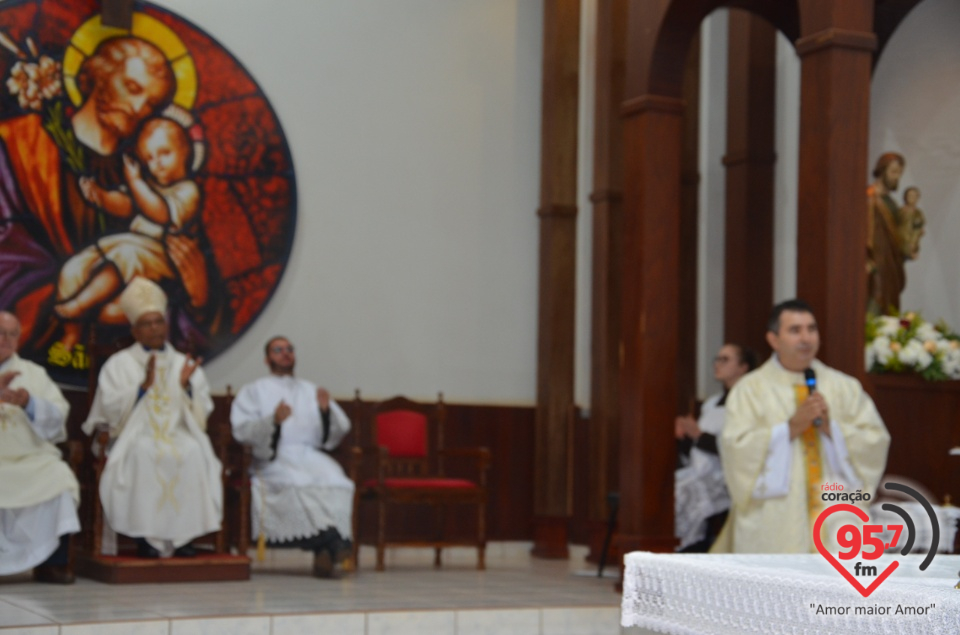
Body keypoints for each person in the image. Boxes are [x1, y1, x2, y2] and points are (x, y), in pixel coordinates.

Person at [714, 299, 890, 553]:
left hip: (836, 517)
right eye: (795, 330)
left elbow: (876, 439)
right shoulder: (750, 390)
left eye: (812, 329)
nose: (806, 338)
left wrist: (833, 429)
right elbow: (735, 447)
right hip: (775, 522)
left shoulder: (843, 387)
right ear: (774, 339)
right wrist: (790, 428)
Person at [82, 277, 222, 558]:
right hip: (134, 435)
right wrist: (141, 388)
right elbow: (108, 408)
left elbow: (202, 411)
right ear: (135, 330)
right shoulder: (119, 365)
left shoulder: (183, 363)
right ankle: (147, 539)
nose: (155, 328)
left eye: (159, 322)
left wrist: (186, 388)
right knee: (144, 454)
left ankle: (182, 539)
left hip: (177, 432)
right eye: (147, 323)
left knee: (193, 451)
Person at [55, 117, 201, 325]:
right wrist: (101, 196)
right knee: (77, 265)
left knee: (125, 255)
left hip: (162, 257)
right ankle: (71, 331)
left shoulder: (187, 190)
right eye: (149, 158)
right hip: (133, 248)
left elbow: (159, 212)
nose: (156, 163)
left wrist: (135, 181)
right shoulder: (146, 187)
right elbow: (126, 206)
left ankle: (81, 304)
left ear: (185, 153)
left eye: (165, 153)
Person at [230, 336, 354, 578]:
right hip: (273, 457)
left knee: (338, 481)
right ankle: (331, 543)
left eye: (289, 349)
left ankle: (327, 547)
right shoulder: (254, 390)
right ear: (267, 359)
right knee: (296, 481)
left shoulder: (311, 389)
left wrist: (325, 412)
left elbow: (339, 428)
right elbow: (242, 429)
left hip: (308, 454)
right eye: (278, 350)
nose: (285, 354)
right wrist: (272, 421)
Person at [0, 311, 79, 583]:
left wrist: (29, 403)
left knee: (58, 475)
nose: (6, 339)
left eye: (12, 334)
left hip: (29, 459)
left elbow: (59, 415)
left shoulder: (34, 374)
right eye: (1, 332)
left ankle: (52, 563)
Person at [674, 343, 756, 552]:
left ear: (743, 367)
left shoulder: (750, 402)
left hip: (726, 475)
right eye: (717, 359)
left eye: (725, 359)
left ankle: (692, 547)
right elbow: (695, 449)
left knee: (685, 490)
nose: (717, 364)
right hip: (700, 470)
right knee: (670, 485)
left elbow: (740, 447)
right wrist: (684, 436)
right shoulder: (711, 403)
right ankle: (674, 546)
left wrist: (699, 435)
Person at [866, 152, 907, 316]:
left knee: (890, 305)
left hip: (891, 265)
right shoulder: (869, 199)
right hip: (875, 265)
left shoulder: (891, 203)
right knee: (874, 303)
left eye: (899, 173)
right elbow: (863, 234)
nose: (897, 177)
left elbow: (898, 236)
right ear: (882, 171)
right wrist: (866, 259)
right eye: (894, 171)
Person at [897, 186, 925, 262]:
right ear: (905, 197)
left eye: (914, 196)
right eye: (909, 195)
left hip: (909, 243)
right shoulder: (900, 211)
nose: (911, 198)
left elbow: (917, 230)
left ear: (917, 198)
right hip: (898, 241)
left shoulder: (917, 214)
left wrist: (912, 244)